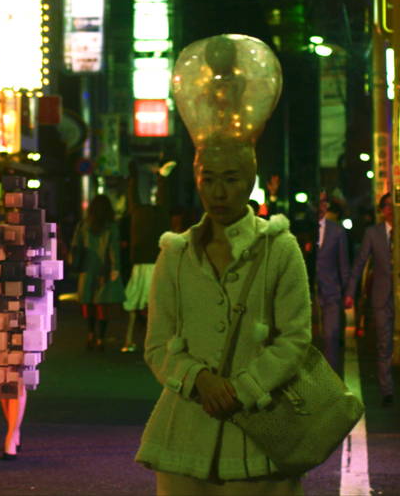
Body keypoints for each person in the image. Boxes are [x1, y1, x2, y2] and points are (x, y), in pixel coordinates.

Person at [135, 140, 310, 494]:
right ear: (196, 180)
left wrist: (241, 389)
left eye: (230, 179)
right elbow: (156, 344)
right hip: (184, 432)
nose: (218, 192)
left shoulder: (279, 247)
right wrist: (198, 378)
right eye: (207, 178)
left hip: (261, 434)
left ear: (250, 181)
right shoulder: (176, 253)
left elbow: (296, 338)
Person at [345, 193, 395, 406]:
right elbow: (359, 264)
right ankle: (387, 390)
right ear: (381, 210)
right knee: (384, 343)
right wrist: (350, 291)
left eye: (394, 206)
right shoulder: (373, 233)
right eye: (387, 206)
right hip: (382, 295)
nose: (391, 210)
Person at [121, 162, 171, 353]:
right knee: (157, 306)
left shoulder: (136, 214)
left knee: (135, 305)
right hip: (156, 262)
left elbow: (132, 198)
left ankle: (129, 340)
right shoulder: (161, 215)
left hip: (140, 262)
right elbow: (162, 200)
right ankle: (159, 343)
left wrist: (132, 175)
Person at [69, 194, 125, 351]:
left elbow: (76, 245)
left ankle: (90, 334)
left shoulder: (83, 225)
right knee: (102, 305)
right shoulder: (111, 226)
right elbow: (114, 249)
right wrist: (115, 268)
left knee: (89, 303)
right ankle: (100, 338)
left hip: (87, 269)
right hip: (104, 269)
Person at [314, 191, 350, 374]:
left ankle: (334, 385)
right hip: (310, 294)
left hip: (332, 292)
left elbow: (344, 265)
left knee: (331, 338)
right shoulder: (303, 228)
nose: (321, 207)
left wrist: (347, 293)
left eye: (323, 203)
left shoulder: (337, 231)